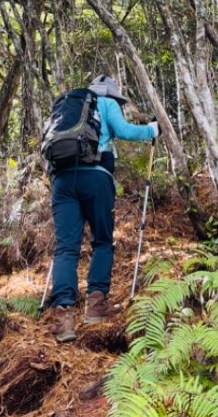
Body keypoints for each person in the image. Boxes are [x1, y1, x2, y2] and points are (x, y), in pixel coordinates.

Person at [48, 74, 159, 343]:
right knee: (102, 242)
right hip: (96, 177)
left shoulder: (66, 107)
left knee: (66, 248)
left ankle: (64, 320)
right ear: (110, 93)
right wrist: (152, 130)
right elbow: (125, 131)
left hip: (62, 180)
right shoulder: (106, 103)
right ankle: (95, 307)